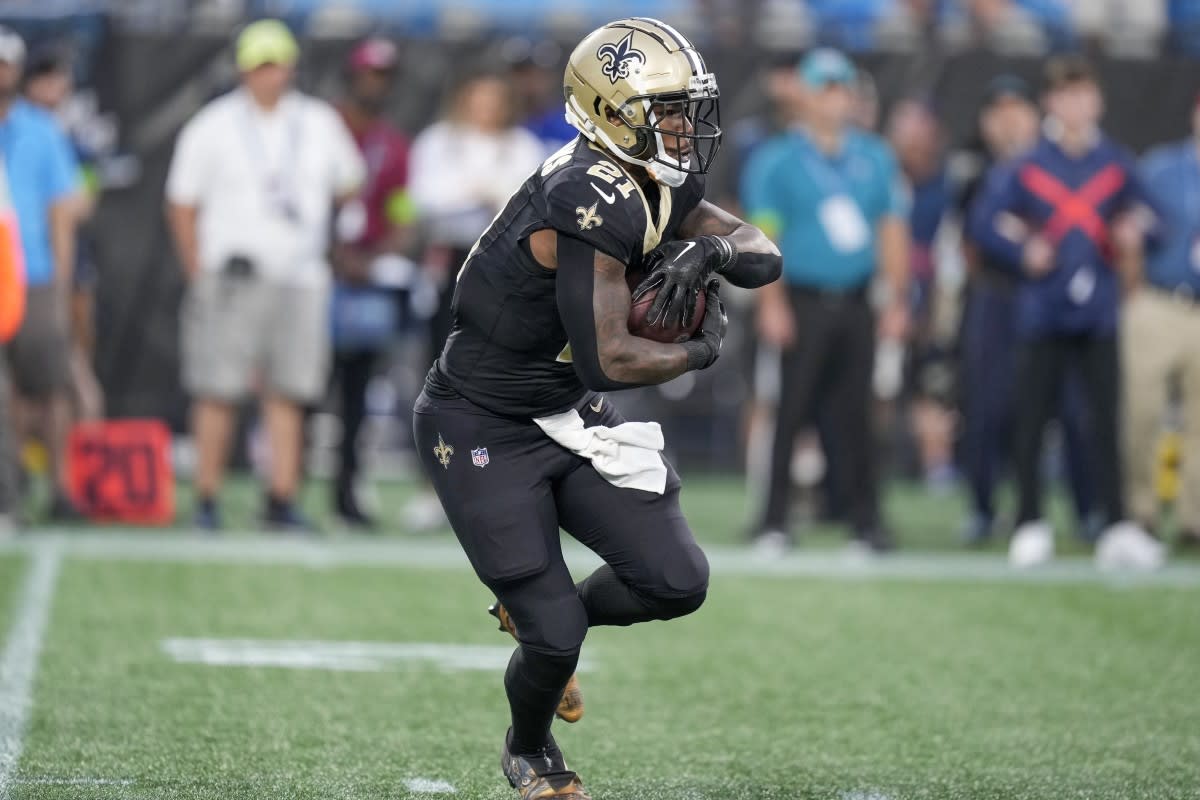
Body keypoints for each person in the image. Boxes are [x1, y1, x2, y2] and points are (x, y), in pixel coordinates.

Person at [412, 18, 780, 799]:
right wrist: (700, 351)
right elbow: (608, 359)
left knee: (675, 581)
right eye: (668, 109)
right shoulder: (584, 192)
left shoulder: (650, 172)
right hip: (481, 419)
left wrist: (708, 250)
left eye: (688, 107)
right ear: (611, 112)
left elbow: (762, 252)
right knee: (556, 637)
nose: (684, 125)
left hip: (562, 412)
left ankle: (540, 616)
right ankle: (530, 747)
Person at [166, 20, 365, 532]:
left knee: (289, 392)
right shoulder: (213, 124)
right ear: (243, 68)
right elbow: (182, 203)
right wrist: (198, 272)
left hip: (301, 278)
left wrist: (314, 221)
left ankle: (280, 499)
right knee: (217, 390)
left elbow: (350, 181)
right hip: (231, 276)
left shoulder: (318, 120)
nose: (270, 74)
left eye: (277, 64)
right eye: (261, 65)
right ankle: (206, 499)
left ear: (292, 66)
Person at [971, 56, 1163, 569]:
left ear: (1096, 100)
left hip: (1098, 313)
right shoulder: (1030, 164)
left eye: (1083, 94)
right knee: (1031, 420)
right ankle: (1030, 521)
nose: (1075, 105)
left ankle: (1118, 524)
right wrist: (1024, 250)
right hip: (1042, 312)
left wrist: (1133, 232)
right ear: (1051, 103)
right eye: (1065, 95)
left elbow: (1154, 219)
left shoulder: (1116, 163)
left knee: (1105, 422)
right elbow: (986, 222)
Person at [742, 47, 910, 554]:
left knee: (858, 413)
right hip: (802, 300)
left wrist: (898, 299)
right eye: (827, 88)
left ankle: (866, 520)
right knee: (790, 410)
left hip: (859, 300)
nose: (838, 98)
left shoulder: (875, 156)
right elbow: (764, 236)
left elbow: (892, 230)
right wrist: (772, 304)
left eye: (844, 88)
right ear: (807, 95)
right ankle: (773, 519)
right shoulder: (778, 160)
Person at [959, 74, 1098, 545]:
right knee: (988, 405)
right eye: (998, 113)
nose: (1009, 121)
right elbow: (979, 232)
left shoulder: (1056, 165)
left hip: (1049, 296)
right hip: (995, 294)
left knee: (1071, 405)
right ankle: (983, 507)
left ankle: (1086, 509)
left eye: (1017, 110)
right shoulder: (973, 168)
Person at [403, 71, 545, 531]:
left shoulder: (522, 146)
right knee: (441, 376)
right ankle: (433, 487)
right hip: (449, 268)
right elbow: (424, 198)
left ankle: (494, 485)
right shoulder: (438, 142)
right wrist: (475, 194)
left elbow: (530, 203)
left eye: (494, 100)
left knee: (499, 378)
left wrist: (489, 198)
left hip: (504, 273)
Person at [329, 36, 414, 529]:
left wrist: (375, 255)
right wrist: (333, 254)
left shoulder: (394, 145)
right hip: (316, 273)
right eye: (369, 74)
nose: (375, 85)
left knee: (357, 392)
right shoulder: (322, 128)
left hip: (363, 280)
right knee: (300, 388)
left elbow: (402, 214)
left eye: (384, 77)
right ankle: (282, 490)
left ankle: (346, 492)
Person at [0, 26, 84, 522]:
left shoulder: (42, 129)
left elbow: (63, 208)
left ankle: (60, 488)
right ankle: (9, 489)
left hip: (35, 273)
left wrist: (61, 277)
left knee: (50, 386)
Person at [1126, 95, 1200, 548]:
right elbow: (1129, 227)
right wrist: (1130, 288)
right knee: (1142, 413)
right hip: (1160, 300)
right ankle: (1140, 512)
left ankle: (1195, 520)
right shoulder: (1161, 168)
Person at [22, 45, 105, 424]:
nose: (55, 88)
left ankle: (83, 450)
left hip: (63, 261)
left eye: (60, 79)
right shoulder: (22, 130)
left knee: (73, 357)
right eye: (46, 79)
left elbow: (82, 201)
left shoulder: (69, 135)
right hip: (25, 262)